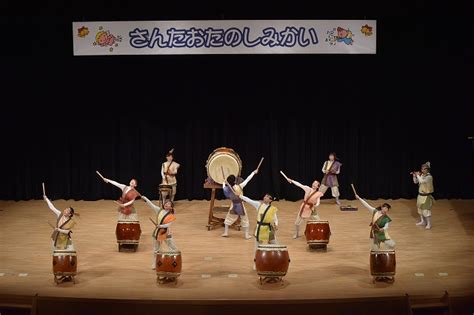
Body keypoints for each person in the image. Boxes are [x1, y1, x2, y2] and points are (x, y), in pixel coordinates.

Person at [240, 193, 279, 270]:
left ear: (270, 200)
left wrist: (276, 224)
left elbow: (275, 218)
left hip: (268, 229)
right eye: (265, 195)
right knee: (257, 248)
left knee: (275, 245)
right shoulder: (258, 205)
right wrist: (240, 196)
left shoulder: (273, 209)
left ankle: (275, 261)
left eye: (268, 196)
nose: (265, 197)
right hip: (260, 228)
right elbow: (249, 200)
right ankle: (255, 263)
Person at [221, 169, 259, 239]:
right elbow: (247, 180)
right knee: (245, 219)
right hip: (240, 205)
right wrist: (253, 173)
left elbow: (223, 188)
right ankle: (246, 235)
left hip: (233, 205)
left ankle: (226, 233)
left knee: (229, 218)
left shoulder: (227, 189)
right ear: (235, 181)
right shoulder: (240, 186)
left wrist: (223, 182)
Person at [142, 196, 178, 270]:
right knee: (156, 249)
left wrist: (161, 226)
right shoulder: (159, 210)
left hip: (166, 233)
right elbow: (151, 205)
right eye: (166, 203)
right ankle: (155, 263)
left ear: (171, 207)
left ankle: (173, 261)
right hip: (157, 232)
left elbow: (168, 225)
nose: (166, 204)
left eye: (168, 204)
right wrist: (145, 198)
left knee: (173, 248)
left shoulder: (171, 216)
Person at [412, 161, 434, 229]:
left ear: (427, 170)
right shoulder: (422, 175)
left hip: (426, 196)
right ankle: (423, 221)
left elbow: (422, 181)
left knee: (425, 210)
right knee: (420, 209)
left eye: (424, 169)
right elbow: (416, 182)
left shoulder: (429, 177)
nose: (422, 170)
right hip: (420, 195)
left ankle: (429, 224)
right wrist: (414, 176)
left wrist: (418, 175)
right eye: (422, 169)